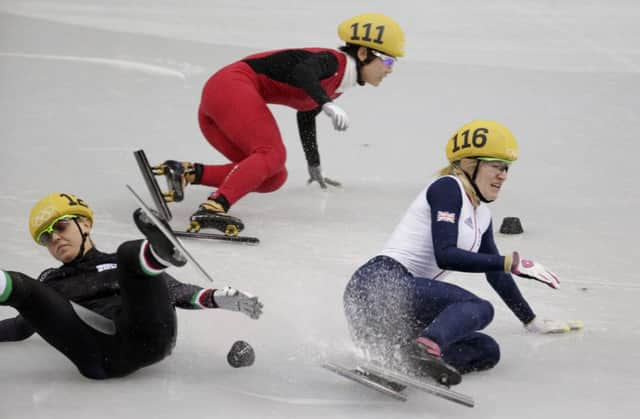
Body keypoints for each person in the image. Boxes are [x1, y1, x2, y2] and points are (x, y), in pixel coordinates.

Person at [343, 120, 577, 386]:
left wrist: (531, 320)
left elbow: (496, 275)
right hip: (377, 286)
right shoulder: (447, 188)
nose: (503, 175)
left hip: (402, 309)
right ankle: (423, 348)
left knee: (486, 349)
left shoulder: (482, 215)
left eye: (506, 168)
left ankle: (401, 360)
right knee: (478, 308)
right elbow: (446, 255)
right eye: (495, 165)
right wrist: (510, 262)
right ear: (468, 164)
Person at [153, 13, 405, 235]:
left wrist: (313, 164)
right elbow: (302, 74)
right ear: (363, 53)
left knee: (273, 177)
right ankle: (214, 206)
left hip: (219, 103)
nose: (391, 70)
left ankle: (186, 172)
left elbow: (305, 116)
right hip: (230, 86)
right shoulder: (331, 61)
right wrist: (326, 103)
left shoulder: (337, 84)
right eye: (389, 61)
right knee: (272, 154)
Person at [0, 192, 263, 379]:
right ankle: (156, 253)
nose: (55, 238)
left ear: (85, 224)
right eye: (46, 237)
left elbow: (175, 292)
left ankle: (158, 254)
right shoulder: (52, 281)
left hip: (148, 335)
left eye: (61, 226)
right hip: (96, 354)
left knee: (129, 254)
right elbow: (21, 327)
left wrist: (215, 297)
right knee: (24, 286)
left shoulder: (118, 263)